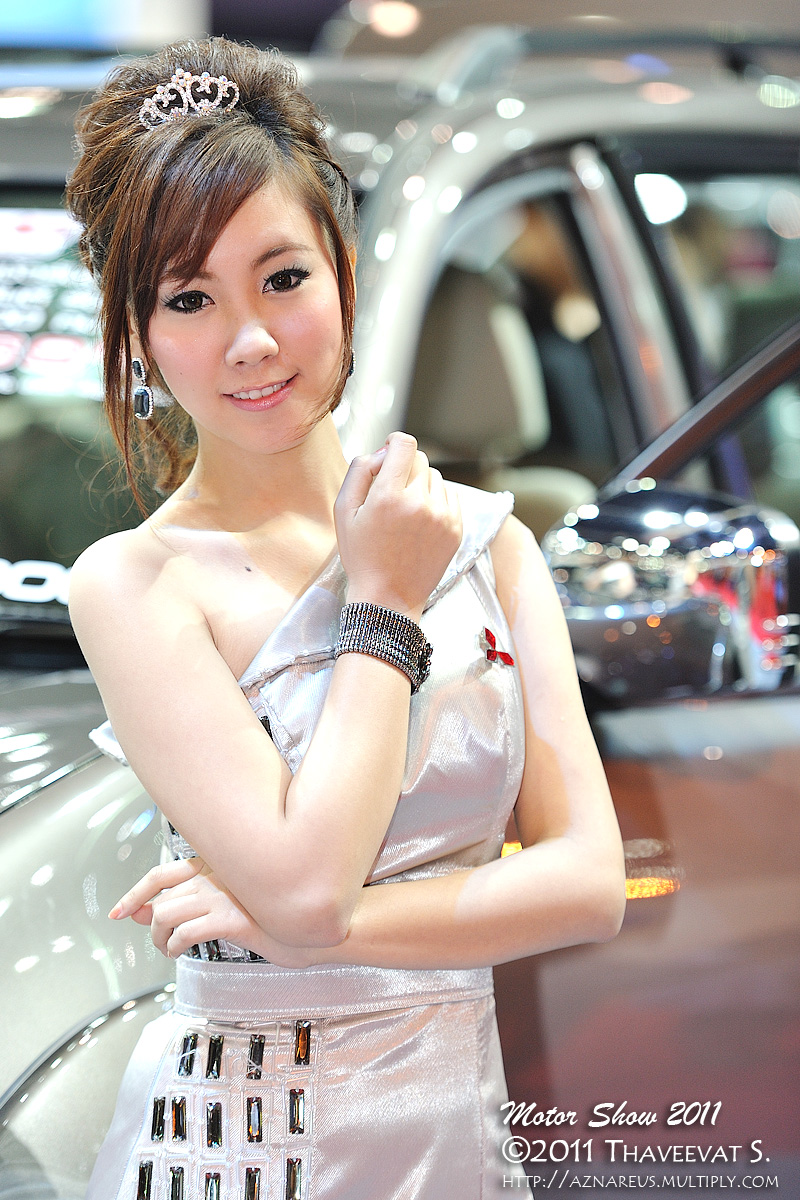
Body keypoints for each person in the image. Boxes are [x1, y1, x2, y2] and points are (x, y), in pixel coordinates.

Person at [66, 37, 626, 1200]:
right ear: (138, 338)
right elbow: (309, 885)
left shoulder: (491, 544)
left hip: (454, 1143)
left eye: (282, 278)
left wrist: (293, 927)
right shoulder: (133, 584)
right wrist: (379, 599)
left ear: (343, 274)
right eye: (188, 298)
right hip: (240, 1148)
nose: (251, 340)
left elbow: (587, 884)